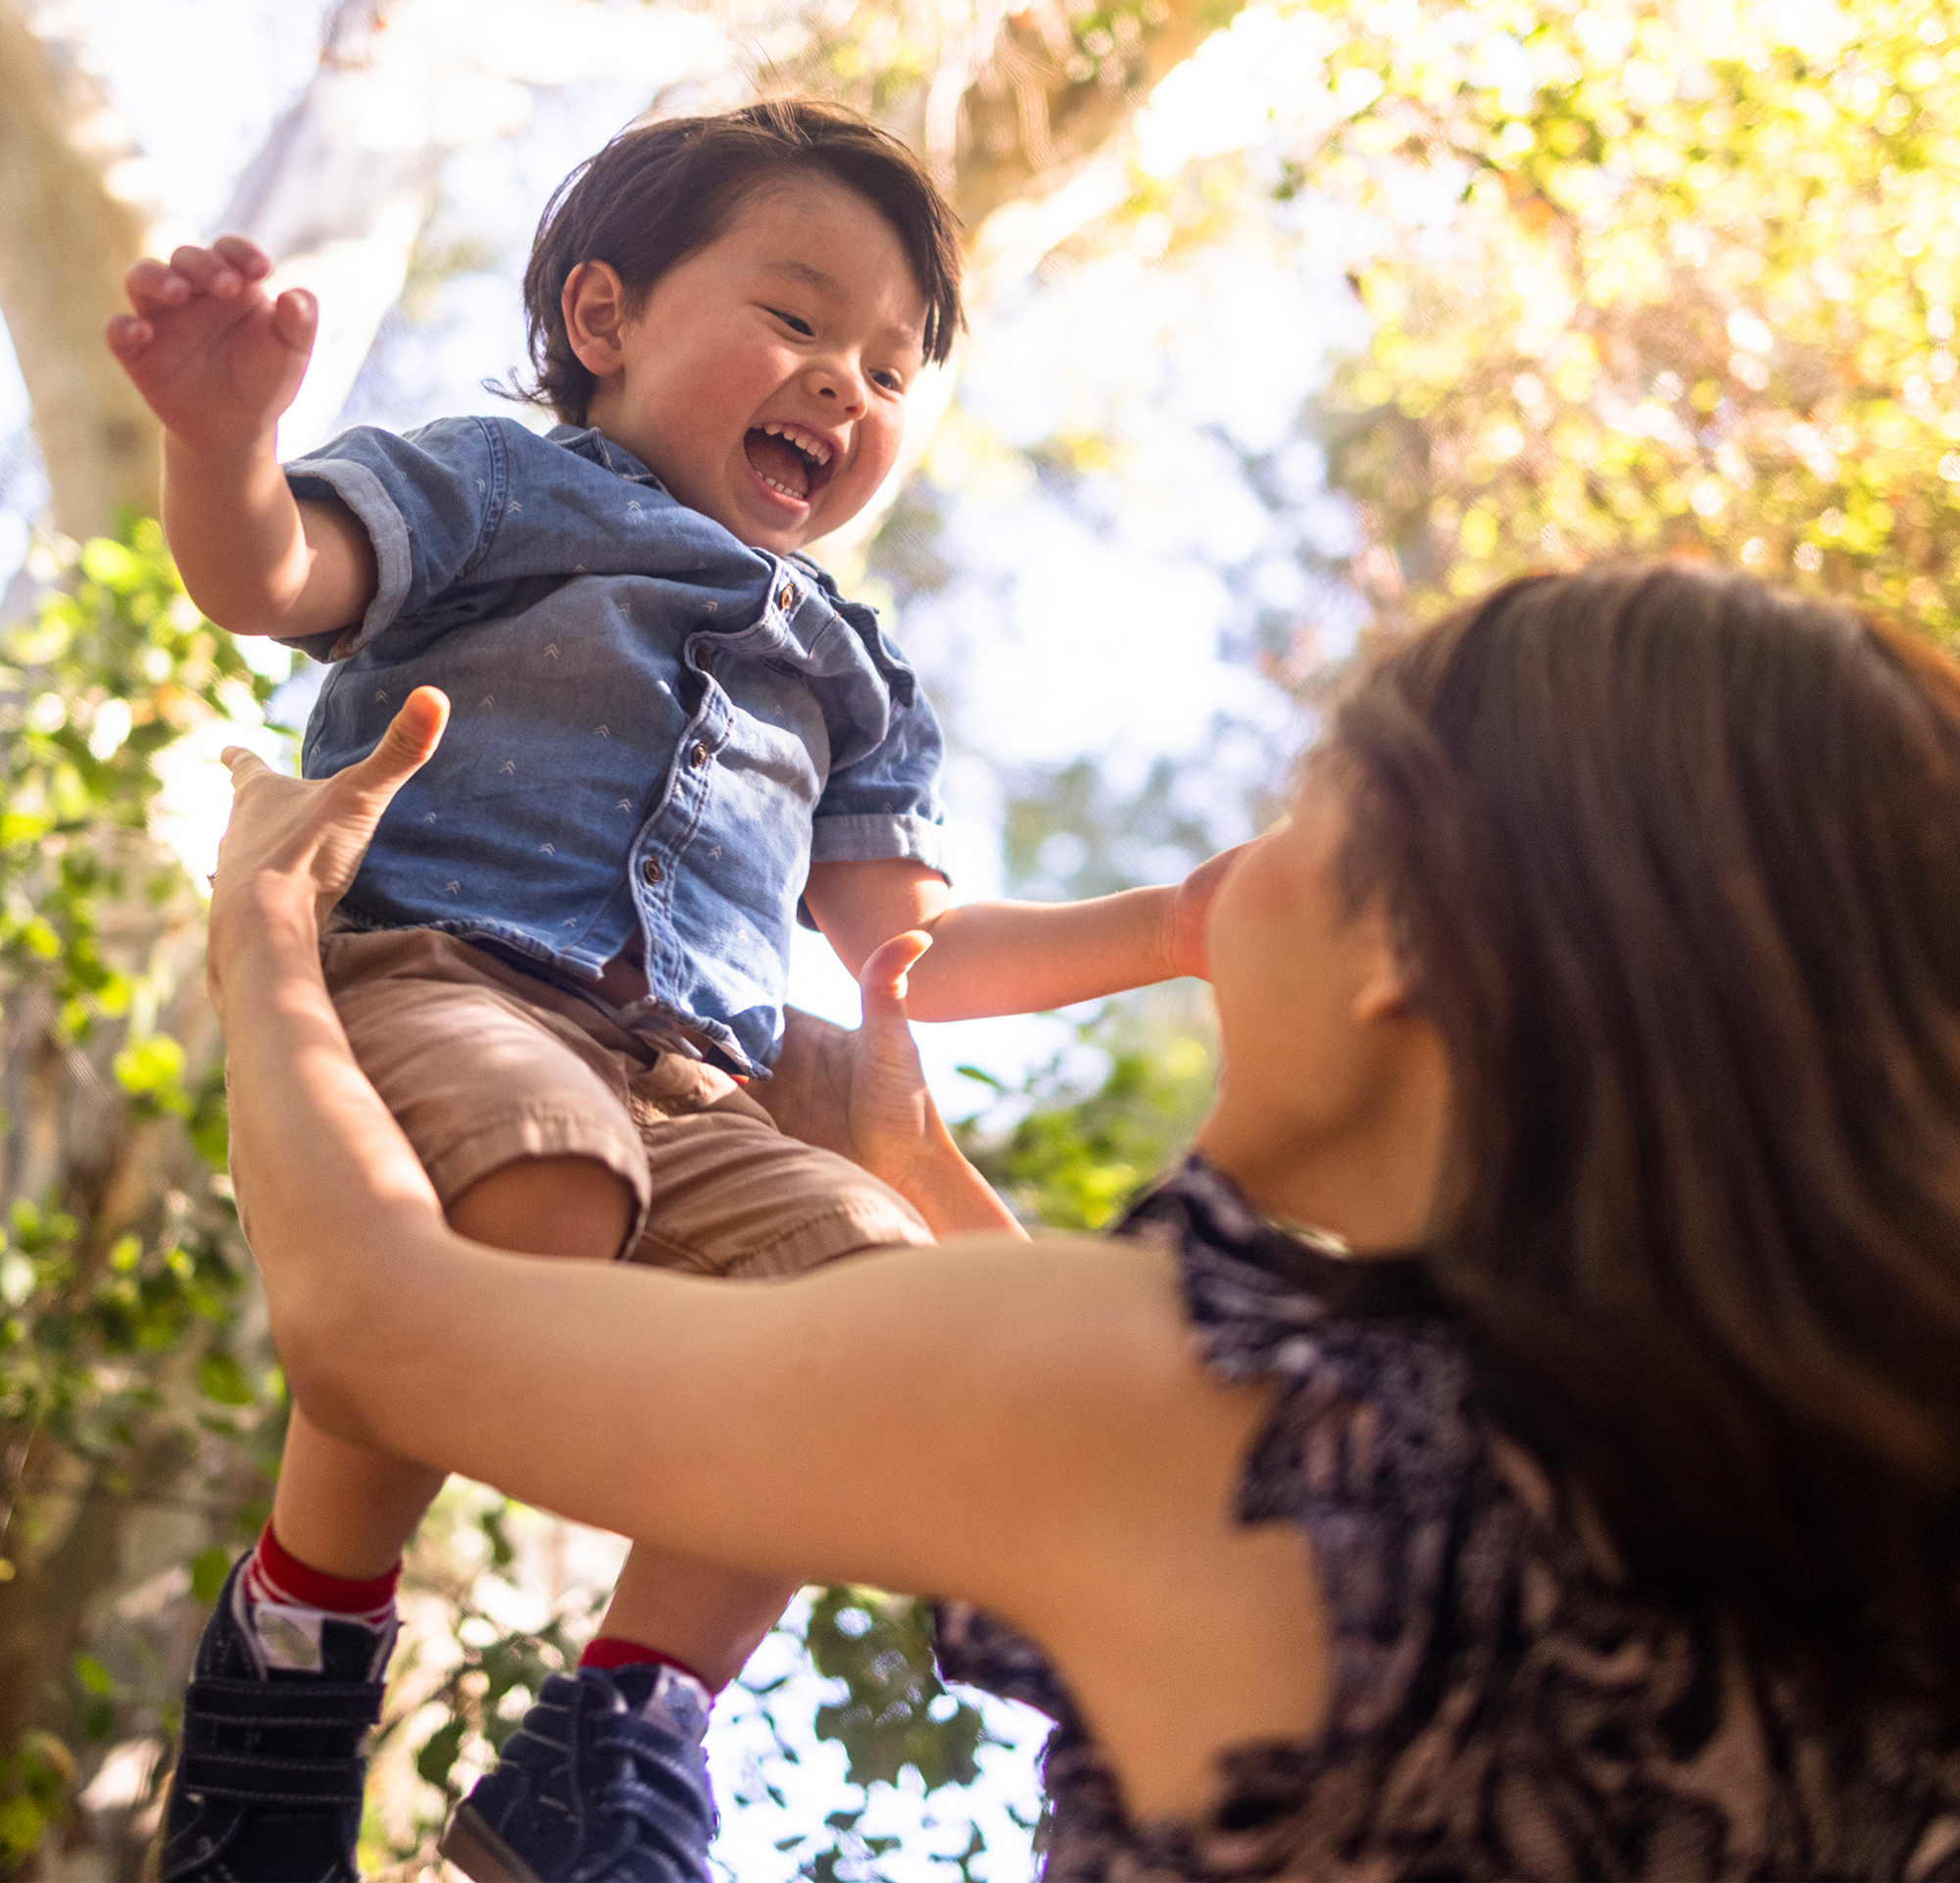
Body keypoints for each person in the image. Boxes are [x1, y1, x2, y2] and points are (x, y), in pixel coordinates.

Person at [205, 566, 1960, 1882]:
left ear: (1410, 944)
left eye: (1302, 812)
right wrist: (919, 1168)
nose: (1229, 890)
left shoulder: (1240, 1426)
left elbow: (384, 1326)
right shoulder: (1847, 1550)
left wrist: (269, 933)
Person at [105, 102, 1236, 1883]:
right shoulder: (499, 483)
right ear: (604, 320)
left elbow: (906, 964)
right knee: (541, 1180)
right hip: (441, 974)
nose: (844, 383)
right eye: (798, 320)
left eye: (887, 363)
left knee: (888, 1309)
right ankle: (302, 1639)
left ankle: (623, 1725)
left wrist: (1165, 925)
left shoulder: (850, 671)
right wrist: (227, 442)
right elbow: (275, 574)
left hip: (697, 1080)